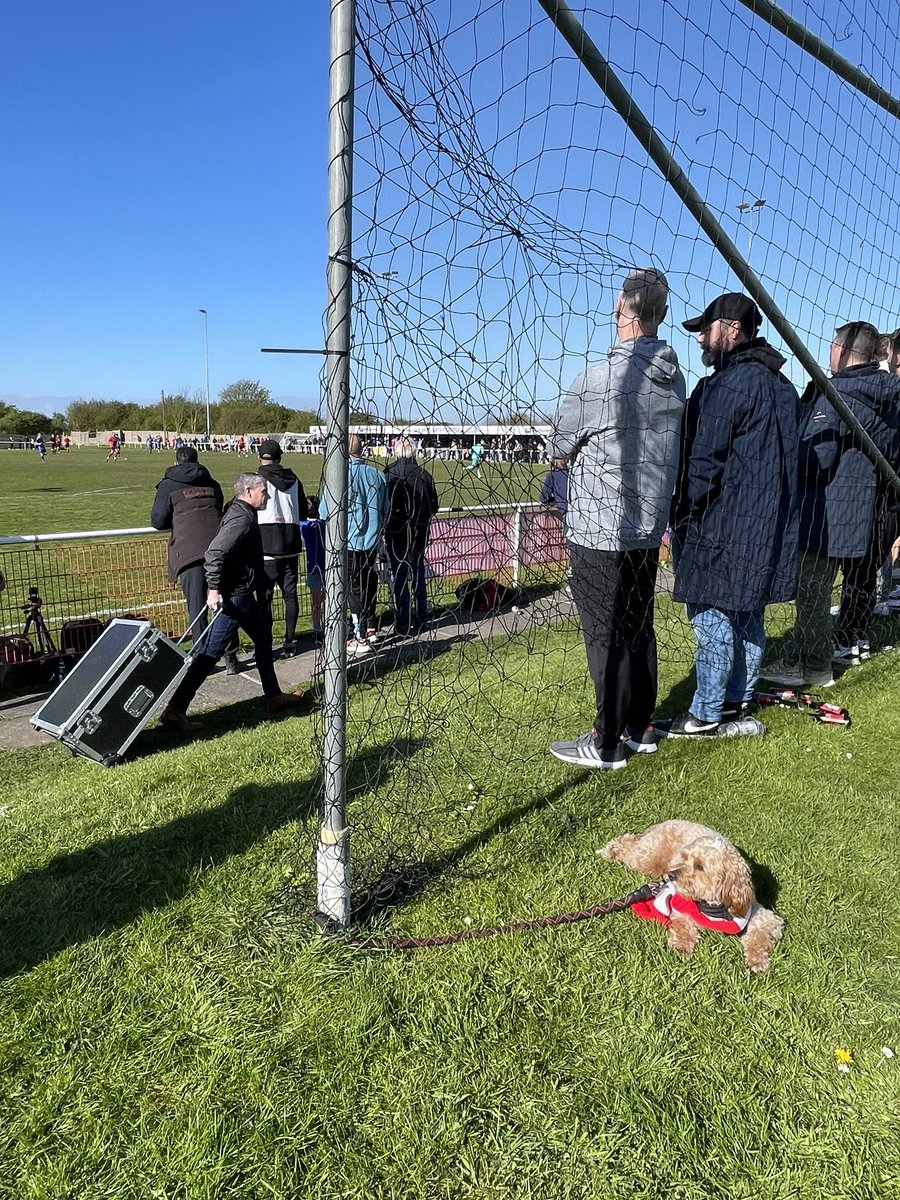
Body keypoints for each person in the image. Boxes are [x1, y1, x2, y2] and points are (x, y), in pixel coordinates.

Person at [546, 268, 686, 769]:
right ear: (663, 315)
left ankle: (607, 741)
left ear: (623, 310)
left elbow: (559, 446)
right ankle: (640, 724)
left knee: (604, 632)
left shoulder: (596, 380)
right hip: (648, 528)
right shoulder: (675, 379)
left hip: (599, 530)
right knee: (637, 624)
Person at [665, 293, 800, 738]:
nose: (701, 338)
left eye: (705, 329)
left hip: (720, 526)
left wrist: (680, 513)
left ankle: (705, 713)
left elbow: (702, 463)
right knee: (747, 617)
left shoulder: (729, 385)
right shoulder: (781, 386)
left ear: (732, 329)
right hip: (764, 528)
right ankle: (735, 707)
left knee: (711, 619)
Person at [763, 322, 900, 687]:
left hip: (825, 512)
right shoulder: (887, 395)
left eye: (830, 345)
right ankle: (816, 654)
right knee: (827, 590)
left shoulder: (838, 394)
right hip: (860, 508)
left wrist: (787, 449)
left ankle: (814, 666)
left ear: (841, 349)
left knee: (812, 594)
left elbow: (816, 459)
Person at [159, 474, 305, 732]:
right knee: (209, 654)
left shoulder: (242, 512)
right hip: (234, 597)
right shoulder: (240, 518)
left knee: (262, 638)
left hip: (244, 594)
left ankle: (273, 696)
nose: (267, 497)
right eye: (264, 492)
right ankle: (176, 709)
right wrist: (214, 589)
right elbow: (215, 552)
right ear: (249, 492)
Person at [150, 445, 239, 673]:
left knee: (197, 607)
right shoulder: (212, 484)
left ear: (176, 461)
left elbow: (158, 520)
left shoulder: (168, 485)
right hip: (219, 550)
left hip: (189, 551)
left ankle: (204, 659)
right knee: (223, 604)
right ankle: (231, 657)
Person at [323, 433, 389, 658]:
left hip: (348, 541)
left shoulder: (338, 475)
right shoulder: (378, 476)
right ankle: (370, 627)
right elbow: (385, 508)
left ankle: (358, 635)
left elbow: (324, 511)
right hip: (371, 540)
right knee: (367, 580)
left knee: (352, 588)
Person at [256, 438, 306, 657]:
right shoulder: (294, 479)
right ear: (280, 458)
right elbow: (303, 511)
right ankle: (289, 641)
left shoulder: (257, 480)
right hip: (291, 542)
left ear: (260, 458)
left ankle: (266, 643)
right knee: (290, 595)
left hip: (266, 544)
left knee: (265, 597)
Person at [384, 437, 439, 634]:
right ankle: (421, 617)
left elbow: (383, 506)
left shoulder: (388, 473)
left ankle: (403, 620)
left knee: (399, 574)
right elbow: (434, 506)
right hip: (418, 533)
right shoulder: (424, 475)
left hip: (395, 533)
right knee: (418, 572)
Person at [301, 495, 325, 638]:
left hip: (313, 567)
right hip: (327, 566)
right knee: (327, 598)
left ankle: (317, 627)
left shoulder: (302, 526)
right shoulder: (325, 524)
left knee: (315, 600)